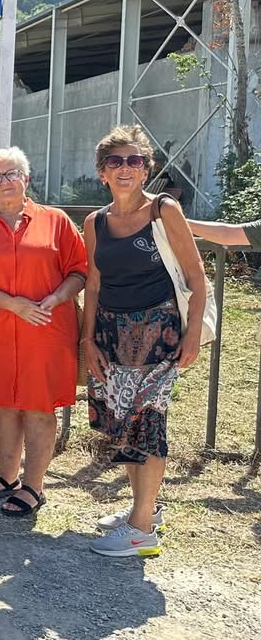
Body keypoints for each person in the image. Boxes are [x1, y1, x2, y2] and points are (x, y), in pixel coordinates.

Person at [82, 126, 205, 557]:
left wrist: (192, 335)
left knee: (148, 423)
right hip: (111, 336)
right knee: (125, 424)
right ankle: (144, 509)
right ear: (102, 172)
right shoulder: (95, 222)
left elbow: (196, 277)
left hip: (159, 335)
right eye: (115, 161)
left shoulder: (163, 211)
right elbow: (93, 284)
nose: (125, 168)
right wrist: (87, 340)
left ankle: (140, 531)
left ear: (146, 170)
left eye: (134, 161)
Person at [0, 147, 87, 518]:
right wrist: (13, 304)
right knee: (5, 406)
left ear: (26, 178)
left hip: (46, 330)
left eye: (12, 174)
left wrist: (56, 297)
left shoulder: (56, 221)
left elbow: (79, 270)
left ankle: (34, 487)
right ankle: (7, 477)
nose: (5, 182)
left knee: (38, 408)